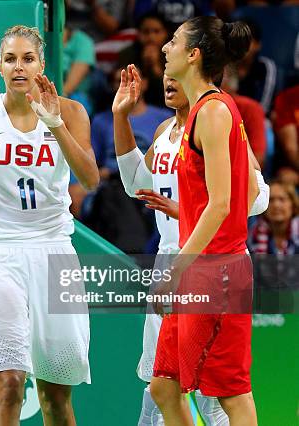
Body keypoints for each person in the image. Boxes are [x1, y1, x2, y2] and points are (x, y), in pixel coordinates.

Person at [112, 65, 269, 425]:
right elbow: (137, 183)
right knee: (160, 385)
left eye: (177, 76)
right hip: (170, 260)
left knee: (215, 393)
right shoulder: (165, 130)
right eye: (166, 77)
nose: (169, 82)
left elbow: (257, 198)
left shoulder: (218, 125)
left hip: (212, 262)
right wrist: (121, 117)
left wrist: (186, 213)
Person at [0, 25, 99, 425]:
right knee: (8, 383)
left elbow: (90, 179)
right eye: (10, 59)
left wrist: (54, 123)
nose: (18, 67)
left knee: (56, 396)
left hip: (55, 252)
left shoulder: (71, 111)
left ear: (42, 65)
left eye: (27, 59)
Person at [150, 17, 259, 425]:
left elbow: (222, 203)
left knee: (231, 394)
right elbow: (242, 194)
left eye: (174, 41)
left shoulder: (213, 112)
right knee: (164, 385)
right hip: (204, 266)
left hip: (216, 273)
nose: (165, 48)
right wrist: (191, 214)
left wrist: (175, 272)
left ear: (193, 55)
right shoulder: (208, 109)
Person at [248, 180, 298, 256]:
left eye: (282, 199)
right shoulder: (252, 235)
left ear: (293, 204)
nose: (276, 205)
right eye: (270, 200)